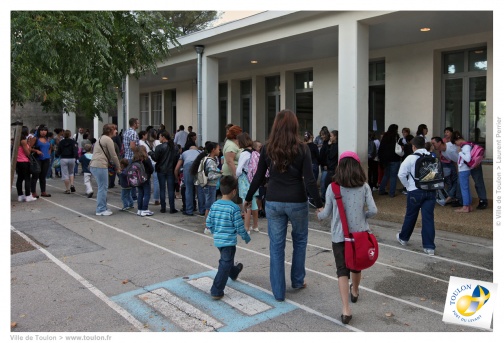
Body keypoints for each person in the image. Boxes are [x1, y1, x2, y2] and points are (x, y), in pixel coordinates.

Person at [244, 109, 324, 302]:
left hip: (274, 200)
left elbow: (258, 176)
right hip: (297, 200)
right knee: (300, 240)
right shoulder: (303, 148)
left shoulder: (268, 147)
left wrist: (248, 197)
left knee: (276, 246)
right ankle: (297, 280)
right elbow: (309, 179)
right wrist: (319, 203)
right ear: (294, 126)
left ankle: (278, 292)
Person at [316, 151, 377, 325]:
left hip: (339, 236)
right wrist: (362, 216)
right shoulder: (364, 187)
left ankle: (345, 309)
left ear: (340, 167)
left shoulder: (333, 187)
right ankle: (355, 291)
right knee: (356, 266)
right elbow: (373, 210)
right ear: (358, 167)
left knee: (342, 270)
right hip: (359, 235)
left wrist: (318, 215)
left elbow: (326, 213)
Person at [206, 175, 251, 300]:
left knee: (227, 260)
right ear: (234, 191)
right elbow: (239, 227)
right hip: (229, 242)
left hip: (218, 240)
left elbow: (209, 222)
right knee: (225, 263)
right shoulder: (234, 208)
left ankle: (234, 272)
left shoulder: (215, 205)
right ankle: (216, 290)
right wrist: (245, 237)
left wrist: (214, 231)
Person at [396, 136, 437, 255]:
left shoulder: (410, 158)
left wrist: (408, 186)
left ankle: (403, 238)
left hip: (415, 191)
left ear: (413, 146)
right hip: (430, 191)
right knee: (428, 218)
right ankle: (429, 247)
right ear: (424, 145)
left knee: (410, 216)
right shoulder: (432, 156)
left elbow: (401, 174)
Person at [90, 124, 121, 216]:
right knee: (103, 188)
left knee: (102, 187)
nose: (116, 131)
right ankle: (100, 209)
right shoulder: (108, 139)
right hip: (100, 165)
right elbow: (114, 155)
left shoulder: (101, 138)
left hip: (95, 164)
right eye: (115, 129)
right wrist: (118, 167)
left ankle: (103, 207)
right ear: (110, 130)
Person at [236, 132, 259, 234]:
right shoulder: (254, 152)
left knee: (246, 203)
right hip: (253, 179)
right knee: (254, 203)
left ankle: (246, 227)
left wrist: (236, 176)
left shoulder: (244, 153)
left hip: (245, 179)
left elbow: (239, 169)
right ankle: (255, 226)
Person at [152, 131, 179, 214]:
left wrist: (150, 153)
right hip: (171, 170)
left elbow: (156, 158)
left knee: (162, 189)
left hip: (161, 169)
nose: (159, 138)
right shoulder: (174, 147)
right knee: (171, 190)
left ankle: (163, 208)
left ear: (163, 137)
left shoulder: (159, 147)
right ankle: (172, 208)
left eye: (160, 137)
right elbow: (176, 158)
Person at [174, 145, 201, 216]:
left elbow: (177, 168)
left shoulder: (184, 153)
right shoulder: (200, 152)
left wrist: (177, 177)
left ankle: (189, 210)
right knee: (200, 188)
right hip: (198, 166)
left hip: (188, 166)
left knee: (188, 189)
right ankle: (202, 210)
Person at [451, 131, 474, 213]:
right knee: (466, 188)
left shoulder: (466, 146)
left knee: (464, 188)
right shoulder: (466, 145)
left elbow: (467, 159)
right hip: (465, 169)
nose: (456, 144)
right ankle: (468, 205)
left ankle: (465, 206)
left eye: (455, 142)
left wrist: (460, 152)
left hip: (464, 169)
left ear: (457, 139)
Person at [377, 124, 402, 197]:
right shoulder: (396, 137)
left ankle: (381, 190)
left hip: (386, 160)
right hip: (395, 158)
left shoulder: (385, 136)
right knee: (393, 176)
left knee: (386, 175)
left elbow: (381, 148)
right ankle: (392, 193)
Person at [15, 126, 37, 202]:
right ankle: (28, 195)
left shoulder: (17, 140)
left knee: (20, 178)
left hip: (18, 161)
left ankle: (20, 195)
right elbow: (27, 152)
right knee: (27, 179)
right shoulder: (23, 141)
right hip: (24, 161)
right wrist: (29, 146)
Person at [133, 146, 154, 217]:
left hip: (138, 179)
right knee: (147, 194)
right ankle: (145, 209)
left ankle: (139, 209)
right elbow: (151, 169)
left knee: (140, 194)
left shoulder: (135, 159)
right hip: (146, 178)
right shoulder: (146, 159)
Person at [56, 130, 79, 194]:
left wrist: (57, 154)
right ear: (70, 135)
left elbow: (58, 151)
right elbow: (75, 150)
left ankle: (67, 189)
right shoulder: (74, 142)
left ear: (63, 135)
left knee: (65, 174)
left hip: (64, 158)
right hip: (72, 158)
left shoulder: (61, 142)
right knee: (71, 172)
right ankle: (72, 184)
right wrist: (76, 157)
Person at [32, 125, 52, 197]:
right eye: (42, 130)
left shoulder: (47, 139)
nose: (43, 132)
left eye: (45, 130)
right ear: (39, 131)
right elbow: (29, 148)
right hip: (38, 159)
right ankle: (33, 192)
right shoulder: (35, 138)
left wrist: (49, 153)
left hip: (46, 159)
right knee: (35, 175)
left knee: (43, 176)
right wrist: (36, 150)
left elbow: (50, 147)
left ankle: (43, 191)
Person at [123, 118, 140, 200]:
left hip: (126, 156)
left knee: (128, 176)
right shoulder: (133, 133)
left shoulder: (126, 132)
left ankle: (129, 195)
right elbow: (132, 146)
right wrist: (138, 153)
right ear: (134, 124)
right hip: (132, 157)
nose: (139, 124)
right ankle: (133, 196)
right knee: (133, 177)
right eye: (137, 123)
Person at [304, 131, 320, 207]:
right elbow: (318, 156)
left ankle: (307, 197)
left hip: (306, 166)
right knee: (313, 182)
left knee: (307, 181)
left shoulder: (303, 146)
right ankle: (311, 198)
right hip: (313, 164)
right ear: (311, 137)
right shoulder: (314, 146)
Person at [323, 130, 339, 197]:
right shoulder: (331, 145)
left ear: (335, 137)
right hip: (330, 168)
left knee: (328, 184)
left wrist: (329, 147)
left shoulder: (336, 146)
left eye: (331, 136)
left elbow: (331, 155)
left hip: (333, 169)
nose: (330, 138)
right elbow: (325, 154)